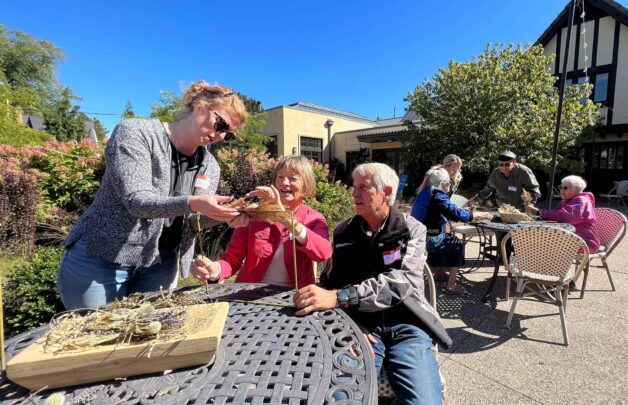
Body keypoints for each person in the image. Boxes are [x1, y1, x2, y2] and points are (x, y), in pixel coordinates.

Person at [57, 80, 247, 310]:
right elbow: (137, 201)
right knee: (93, 340)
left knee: (148, 341)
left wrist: (224, 216)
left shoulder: (210, 166)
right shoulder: (136, 133)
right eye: (221, 124)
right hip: (102, 258)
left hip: (161, 266)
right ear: (200, 107)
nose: (221, 136)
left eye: (229, 133)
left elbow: (192, 220)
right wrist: (194, 202)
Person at [293, 163, 451, 405]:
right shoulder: (344, 232)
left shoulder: (412, 229)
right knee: (340, 399)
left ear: (386, 192)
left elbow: (402, 281)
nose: (354, 194)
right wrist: (347, 322)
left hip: (407, 324)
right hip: (361, 326)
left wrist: (341, 297)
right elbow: (330, 283)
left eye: (363, 188)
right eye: (354, 187)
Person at [189, 155, 333, 288]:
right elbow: (232, 259)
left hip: (293, 300)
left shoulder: (314, 218)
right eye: (280, 177)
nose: (284, 183)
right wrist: (215, 270)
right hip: (250, 297)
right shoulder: (255, 215)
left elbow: (323, 253)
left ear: (305, 186)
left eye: (292, 178)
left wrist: (289, 221)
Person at [411, 167, 493, 294]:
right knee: (456, 244)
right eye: (448, 182)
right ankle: (451, 285)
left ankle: (439, 272)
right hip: (425, 240)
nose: (450, 185)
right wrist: (477, 215)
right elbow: (455, 214)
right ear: (442, 183)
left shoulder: (424, 190)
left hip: (416, 235)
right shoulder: (437, 194)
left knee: (446, 236)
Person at [525, 175, 601, 254]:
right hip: (569, 238)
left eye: (565, 188)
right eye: (560, 187)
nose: (561, 190)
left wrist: (539, 212)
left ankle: (542, 265)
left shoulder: (581, 200)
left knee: (541, 245)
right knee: (537, 240)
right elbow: (557, 218)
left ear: (577, 189)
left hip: (585, 243)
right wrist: (538, 214)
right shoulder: (565, 201)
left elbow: (567, 218)